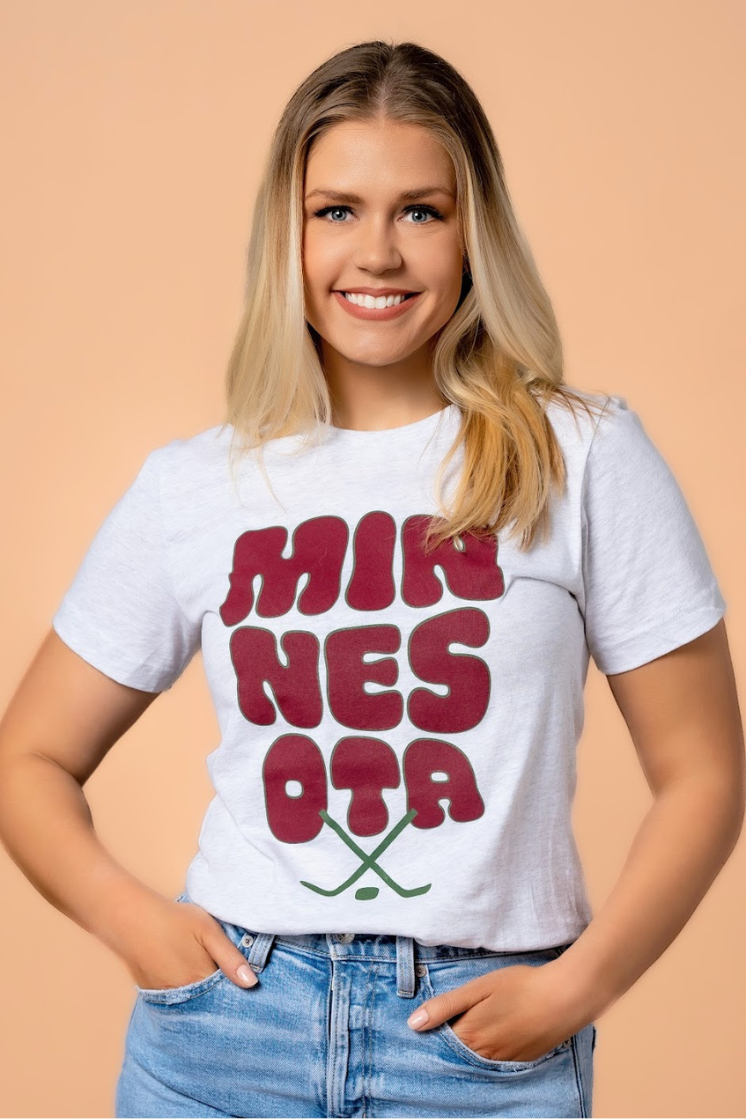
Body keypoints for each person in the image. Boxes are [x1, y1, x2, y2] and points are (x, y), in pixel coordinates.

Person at [0, 39, 742, 1119]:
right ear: (286, 236)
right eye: (336, 211)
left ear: (472, 229)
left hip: (476, 1047)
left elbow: (703, 774)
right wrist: (137, 927)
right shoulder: (198, 485)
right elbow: (29, 758)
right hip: (226, 1036)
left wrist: (578, 989)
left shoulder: (579, 456)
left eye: (421, 211)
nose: (379, 254)